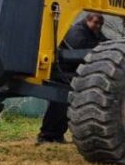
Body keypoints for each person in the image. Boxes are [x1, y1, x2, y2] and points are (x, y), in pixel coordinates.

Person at [38, 13, 108, 144]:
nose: (98, 26)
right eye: (96, 23)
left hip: (72, 74)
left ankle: (57, 135)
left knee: (66, 105)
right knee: (58, 104)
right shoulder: (77, 32)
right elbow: (77, 51)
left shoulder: (94, 32)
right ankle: (46, 136)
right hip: (62, 72)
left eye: (100, 24)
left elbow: (106, 44)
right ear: (87, 20)